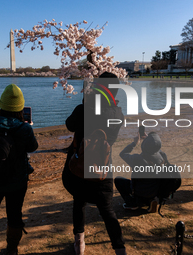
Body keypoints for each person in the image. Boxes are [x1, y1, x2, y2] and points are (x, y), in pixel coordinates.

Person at [62, 72, 127, 255]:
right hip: (103, 169)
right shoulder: (118, 113)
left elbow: (70, 125)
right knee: (107, 210)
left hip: (80, 167)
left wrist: (86, 102)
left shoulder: (85, 110)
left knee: (79, 202)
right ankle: (120, 250)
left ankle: (79, 245)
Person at [0, 84, 38, 255]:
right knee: (14, 216)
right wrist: (28, 126)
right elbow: (33, 147)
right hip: (16, 180)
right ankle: (11, 250)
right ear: (20, 106)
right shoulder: (24, 128)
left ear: (2, 103)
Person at [114, 131, 167, 213]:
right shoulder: (162, 156)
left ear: (145, 146)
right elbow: (156, 148)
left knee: (118, 180)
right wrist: (150, 141)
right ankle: (150, 201)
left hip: (139, 191)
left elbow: (123, 153)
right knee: (149, 182)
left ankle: (132, 203)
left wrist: (134, 143)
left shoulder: (137, 159)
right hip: (154, 190)